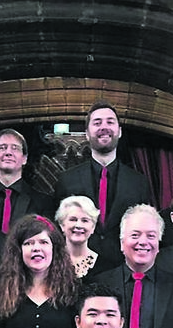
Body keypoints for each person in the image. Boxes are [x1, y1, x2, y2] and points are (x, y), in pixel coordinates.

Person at [54, 102, 155, 269]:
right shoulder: (67, 180)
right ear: (87, 134)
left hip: (124, 269)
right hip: (76, 269)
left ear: (119, 131)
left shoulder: (139, 182)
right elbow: (58, 229)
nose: (104, 127)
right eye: (97, 122)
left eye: (110, 122)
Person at [0, 214, 81, 328]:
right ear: (19, 251)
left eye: (43, 242)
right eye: (28, 243)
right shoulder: (3, 292)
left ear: (54, 249)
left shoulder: (72, 292)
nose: (36, 248)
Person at [0, 128, 54, 235]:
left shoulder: (43, 202)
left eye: (15, 148)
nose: (8, 153)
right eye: (2, 148)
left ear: (24, 158)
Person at [55, 195, 100, 279]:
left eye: (85, 220)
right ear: (62, 225)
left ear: (93, 227)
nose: (78, 225)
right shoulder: (50, 261)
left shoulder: (105, 265)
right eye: (73, 219)